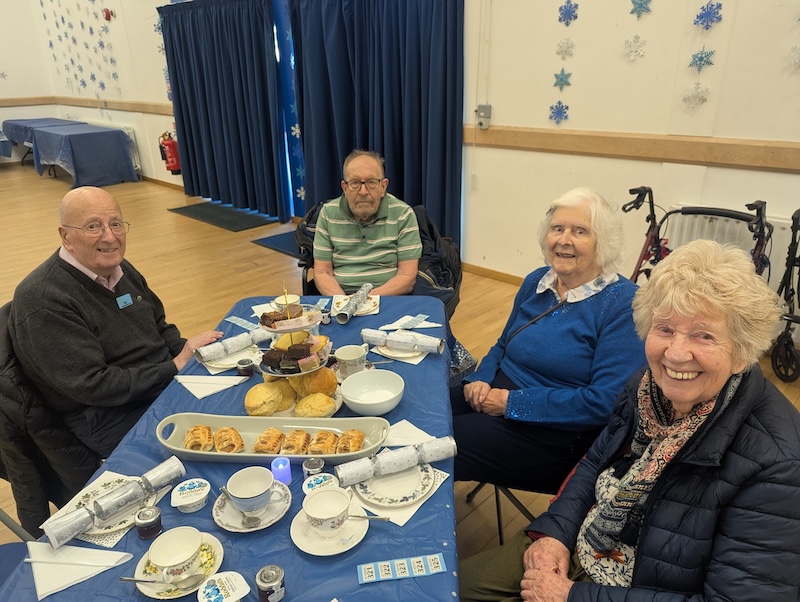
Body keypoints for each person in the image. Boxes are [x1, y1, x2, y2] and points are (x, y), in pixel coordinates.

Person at [459, 239, 800, 602]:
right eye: (665, 328)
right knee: (446, 589)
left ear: (742, 349)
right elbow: (593, 463)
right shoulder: (645, 386)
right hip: (584, 539)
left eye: (704, 335)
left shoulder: (777, 466)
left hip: (641, 584)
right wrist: (555, 534)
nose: (676, 353)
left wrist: (572, 596)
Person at [451, 187, 645, 493]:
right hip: (496, 396)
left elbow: (604, 403)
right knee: (425, 408)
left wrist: (511, 403)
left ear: (603, 243)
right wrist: (480, 378)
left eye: (580, 231)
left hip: (555, 437)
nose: (564, 240)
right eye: (558, 228)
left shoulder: (623, 304)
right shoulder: (537, 281)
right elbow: (503, 344)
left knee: (437, 443)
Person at [8, 186, 223, 457]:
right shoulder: (43, 300)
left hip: (160, 382)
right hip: (109, 415)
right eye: (93, 226)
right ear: (66, 236)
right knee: (212, 445)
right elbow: (94, 385)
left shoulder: (119, 268)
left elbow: (159, 325)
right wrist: (175, 365)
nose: (110, 237)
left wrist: (193, 354)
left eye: (116, 224)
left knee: (236, 401)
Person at [312, 149, 423, 296]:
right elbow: (322, 272)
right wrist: (343, 302)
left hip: (389, 296)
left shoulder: (403, 214)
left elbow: (407, 277)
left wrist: (363, 300)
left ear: (383, 187)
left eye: (371, 182)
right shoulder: (328, 214)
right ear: (345, 188)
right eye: (355, 183)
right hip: (340, 296)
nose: (363, 191)